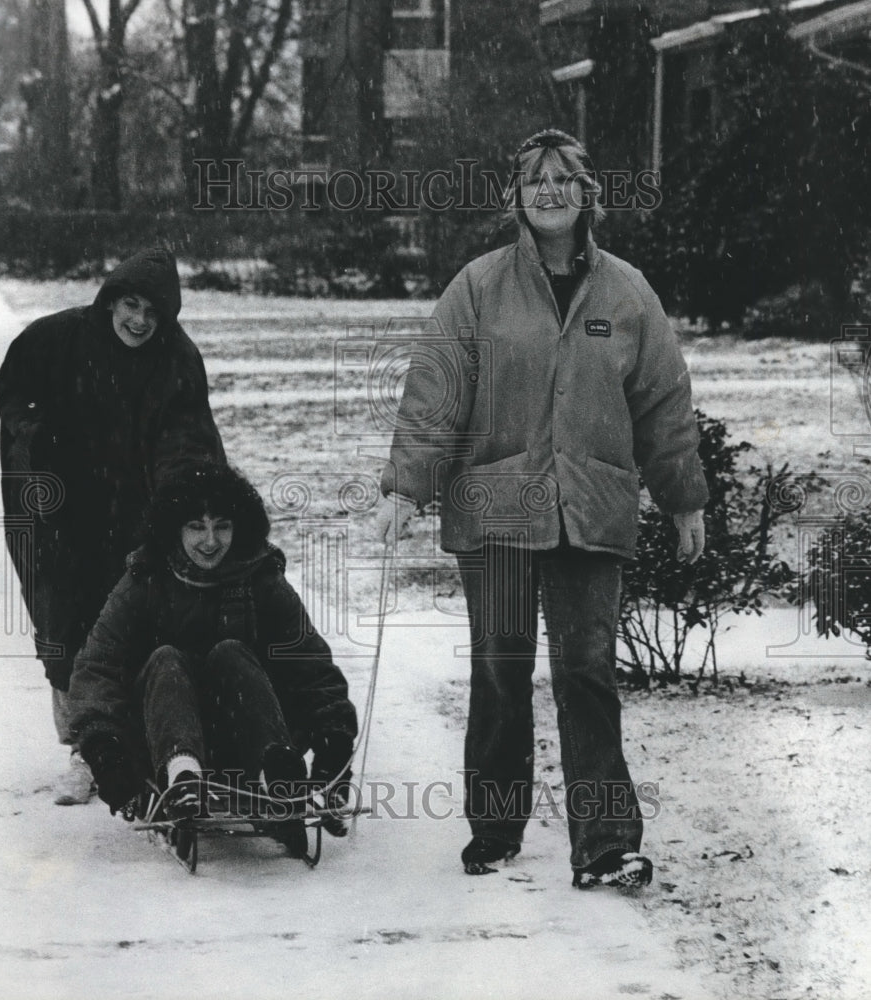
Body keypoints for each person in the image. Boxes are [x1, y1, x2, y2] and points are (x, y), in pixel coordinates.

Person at [377, 128, 708, 887]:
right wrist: (406, 487)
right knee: (501, 668)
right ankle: (494, 830)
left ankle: (605, 844)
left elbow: (663, 400)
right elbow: (436, 391)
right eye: (536, 182)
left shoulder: (627, 292)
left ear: (587, 193)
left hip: (589, 508)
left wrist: (684, 496)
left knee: (587, 671)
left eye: (565, 181)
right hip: (494, 508)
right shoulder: (479, 286)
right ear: (516, 199)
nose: (551, 193)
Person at [0, 247, 226, 805]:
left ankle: (141, 743)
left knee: (137, 624)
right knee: (65, 628)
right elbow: (12, 393)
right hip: (63, 515)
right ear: (110, 300)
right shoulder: (57, 338)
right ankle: (83, 748)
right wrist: (37, 436)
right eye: (130, 305)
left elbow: (188, 432)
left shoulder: (177, 359)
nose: (139, 321)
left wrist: (182, 493)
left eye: (153, 312)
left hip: (138, 513)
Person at [66, 461, 358, 856]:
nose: (210, 541)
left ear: (240, 528)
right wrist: (105, 749)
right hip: (163, 732)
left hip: (246, 727)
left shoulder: (260, 579)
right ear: (174, 529)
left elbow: (310, 664)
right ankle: (183, 778)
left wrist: (333, 738)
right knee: (167, 659)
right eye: (196, 527)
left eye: (222, 525)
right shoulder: (145, 579)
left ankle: (274, 775)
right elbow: (96, 668)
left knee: (231, 653)